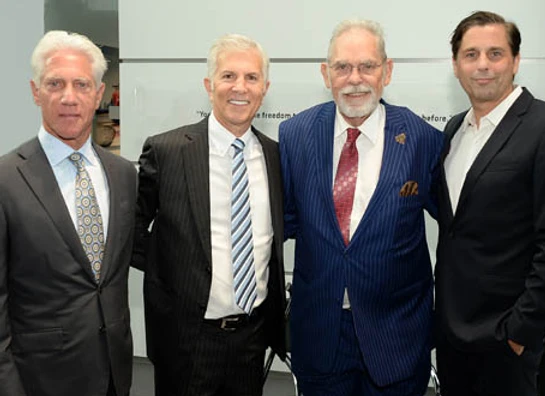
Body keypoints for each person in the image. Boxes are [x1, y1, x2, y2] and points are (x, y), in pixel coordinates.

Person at [279, 19, 444, 396]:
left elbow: (459, 230)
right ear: (326, 74)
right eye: (342, 67)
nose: (355, 78)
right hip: (320, 337)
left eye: (367, 66)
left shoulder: (422, 139)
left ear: (387, 71)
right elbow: (280, 224)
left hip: (397, 339)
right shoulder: (294, 136)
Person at [132, 33, 286, 396]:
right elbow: (133, 228)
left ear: (264, 88)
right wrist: (170, 273)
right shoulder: (167, 151)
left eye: (251, 78)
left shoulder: (275, 156)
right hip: (186, 339)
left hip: (251, 338)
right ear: (209, 84)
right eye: (228, 76)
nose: (240, 88)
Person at [0, 31, 136, 396]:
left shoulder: (123, 176)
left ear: (99, 94)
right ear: (35, 92)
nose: (69, 97)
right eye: (55, 83)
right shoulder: (5, 180)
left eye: (81, 84)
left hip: (114, 372)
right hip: (37, 380)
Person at [434, 10, 545, 396]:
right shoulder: (453, 129)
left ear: (515, 62)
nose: (483, 65)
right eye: (471, 54)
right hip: (452, 339)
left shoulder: (540, 126)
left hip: (507, 344)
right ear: (455, 65)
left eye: (495, 54)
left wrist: (520, 332)